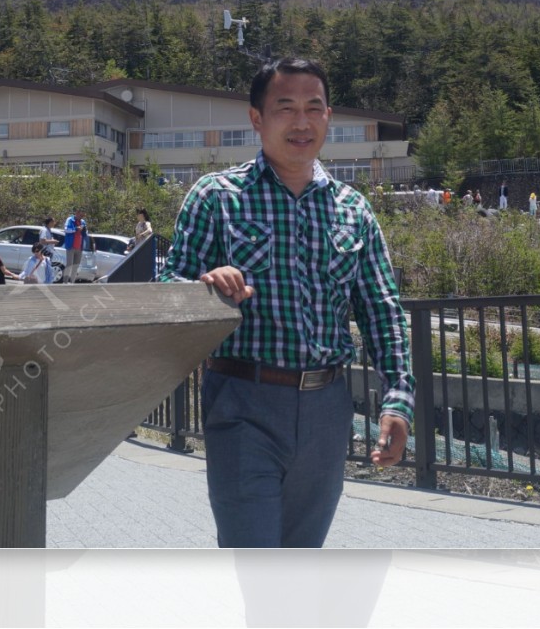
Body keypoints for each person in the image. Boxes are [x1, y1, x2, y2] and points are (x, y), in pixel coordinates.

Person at [159, 56, 413, 549]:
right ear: (257, 119)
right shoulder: (217, 197)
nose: (302, 121)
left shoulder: (353, 209)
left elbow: (382, 310)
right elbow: (168, 288)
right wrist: (204, 286)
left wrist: (398, 403)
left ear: (328, 116)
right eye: (286, 107)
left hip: (328, 409)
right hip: (242, 401)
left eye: (313, 108)